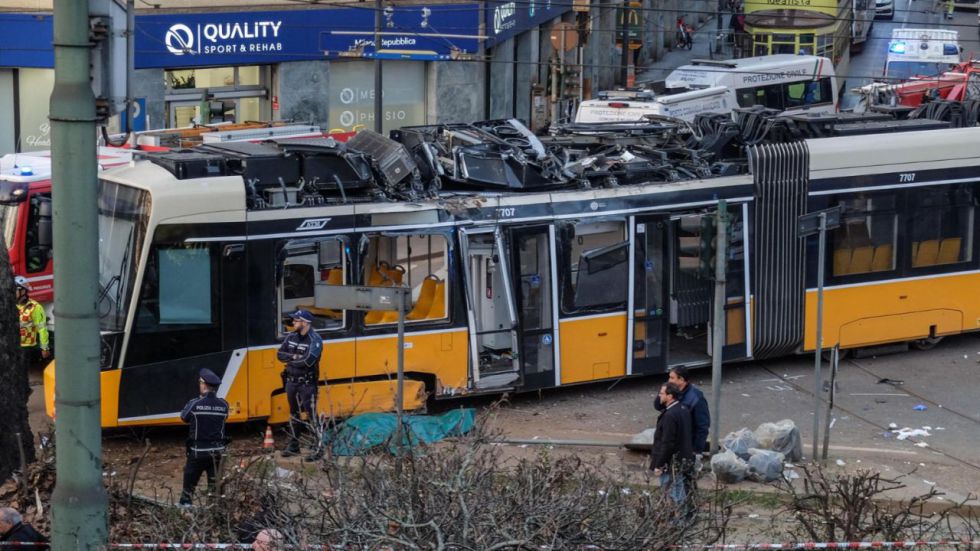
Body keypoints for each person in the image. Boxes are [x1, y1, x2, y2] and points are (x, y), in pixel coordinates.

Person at [277, 309, 323, 460]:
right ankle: (294, 446)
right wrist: (295, 356)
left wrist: (290, 359)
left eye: (296, 321)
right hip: (291, 382)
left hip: (307, 384)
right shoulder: (291, 336)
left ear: (305, 323)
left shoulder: (315, 340)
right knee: (294, 414)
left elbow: (308, 361)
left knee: (311, 415)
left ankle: (318, 448)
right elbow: (279, 354)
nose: (293, 323)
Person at [179, 368, 229, 507]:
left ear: (204, 385)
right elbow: (224, 418)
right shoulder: (224, 404)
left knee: (189, 487)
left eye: (200, 383)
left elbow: (184, 417)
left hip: (198, 453)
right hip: (217, 453)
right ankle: (215, 511)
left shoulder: (195, 403)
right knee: (215, 489)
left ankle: (185, 507)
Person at [650, 383, 695, 510]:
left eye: (661, 393)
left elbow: (667, 442)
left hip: (670, 463)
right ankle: (682, 516)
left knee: (671, 493)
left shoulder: (670, 415)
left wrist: (659, 464)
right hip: (681, 459)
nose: (659, 396)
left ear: (670, 396)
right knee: (679, 491)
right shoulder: (683, 409)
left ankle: (676, 519)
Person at [654, 366, 710, 456]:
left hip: (685, 444)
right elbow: (658, 406)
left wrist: (696, 452)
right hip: (669, 440)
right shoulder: (669, 390)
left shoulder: (696, 398)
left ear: (681, 380)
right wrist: (662, 394)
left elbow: (702, 427)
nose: (669, 380)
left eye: (672, 378)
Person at [15, 276, 51, 366]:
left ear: (23, 291)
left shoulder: (35, 307)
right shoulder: (7, 304)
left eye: (15, 289)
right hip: (11, 345)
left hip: (26, 348)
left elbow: (42, 329)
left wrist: (45, 348)